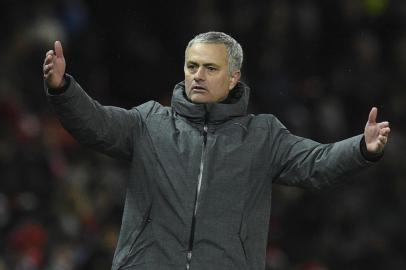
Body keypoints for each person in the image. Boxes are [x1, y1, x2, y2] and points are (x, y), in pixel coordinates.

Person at [42, 32, 390, 270]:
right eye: (192, 66)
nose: (198, 76)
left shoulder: (262, 135)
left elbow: (316, 164)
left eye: (210, 68)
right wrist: (63, 89)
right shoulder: (149, 122)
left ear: (234, 76)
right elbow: (96, 124)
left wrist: (361, 147)